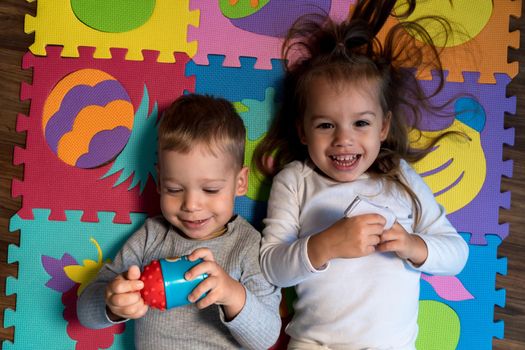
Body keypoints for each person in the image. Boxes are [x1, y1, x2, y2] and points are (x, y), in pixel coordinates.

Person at [254, 1, 469, 349]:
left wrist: (414, 246)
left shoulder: (398, 177)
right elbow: (270, 267)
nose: (343, 139)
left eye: (361, 123)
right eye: (326, 125)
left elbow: (457, 253)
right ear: (303, 131)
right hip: (315, 342)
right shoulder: (294, 180)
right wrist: (325, 245)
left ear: (383, 127)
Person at [77, 94, 282, 350]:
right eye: (174, 189)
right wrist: (112, 303)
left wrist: (232, 294)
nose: (191, 205)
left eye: (210, 190)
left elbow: (267, 338)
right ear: (161, 181)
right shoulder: (152, 236)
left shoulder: (248, 245)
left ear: (240, 183)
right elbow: (85, 313)